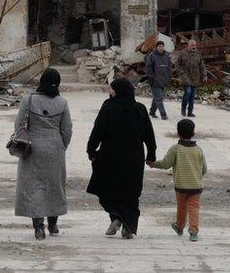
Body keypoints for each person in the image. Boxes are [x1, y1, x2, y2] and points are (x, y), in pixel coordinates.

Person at [86, 78, 156, 239]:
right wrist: (151, 154)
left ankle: (116, 216)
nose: (110, 92)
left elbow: (98, 129)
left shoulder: (108, 107)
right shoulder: (140, 109)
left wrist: (91, 150)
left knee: (109, 189)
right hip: (134, 159)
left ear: (118, 91)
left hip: (110, 157)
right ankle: (128, 226)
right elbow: (149, 134)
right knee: (131, 193)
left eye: (112, 89)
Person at [14, 67, 73, 240]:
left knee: (33, 187)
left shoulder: (29, 100)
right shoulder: (62, 103)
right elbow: (67, 129)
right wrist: (62, 146)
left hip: (32, 148)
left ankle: (38, 227)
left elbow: (19, 125)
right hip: (55, 148)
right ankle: (53, 224)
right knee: (54, 186)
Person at [148, 119, 207, 241]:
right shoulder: (199, 150)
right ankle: (193, 231)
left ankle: (179, 227)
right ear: (193, 132)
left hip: (181, 185)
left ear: (178, 133)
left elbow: (165, 164)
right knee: (194, 207)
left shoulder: (176, 149)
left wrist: (152, 164)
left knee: (182, 206)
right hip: (196, 185)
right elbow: (204, 169)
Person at [175, 39, 208, 117]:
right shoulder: (182, 53)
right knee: (188, 92)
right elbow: (177, 65)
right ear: (188, 46)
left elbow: (202, 66)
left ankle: (190, 112)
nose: (194, 47)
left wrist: (204, 75)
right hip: (186, 77)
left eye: (195, 45)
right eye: (192, 45)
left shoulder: (197, 53)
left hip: (195, 77)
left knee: (192, 95)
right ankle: (183, 109)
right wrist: (182, 73)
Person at [145, 41, 171, 120]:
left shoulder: (167, 55)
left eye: (162, 46)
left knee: (157, 97)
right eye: (159, 46)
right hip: (155, 80)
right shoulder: (152, 56)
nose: (161, 48)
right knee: (159, 98)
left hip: (164, 80)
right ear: (156, 47)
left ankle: (152, 111)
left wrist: (169, 76)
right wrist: (152, 78)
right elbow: (148, 68)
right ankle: (163, 114)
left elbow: (169, 68)